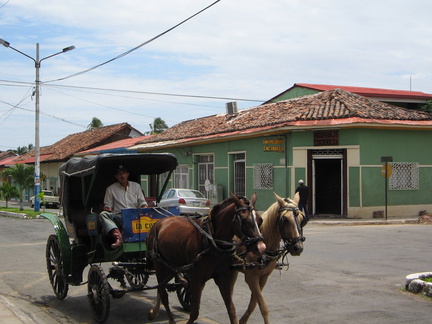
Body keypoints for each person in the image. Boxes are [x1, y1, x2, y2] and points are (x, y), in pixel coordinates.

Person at [99, 165, 148, 249]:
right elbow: (108, 205)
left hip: (135, 217)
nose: (122, 176)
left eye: (124, 173)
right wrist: (107, 208)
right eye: (119, 174)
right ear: (116, 176)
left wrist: (144, 207)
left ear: (127, 174)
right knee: (103, 214)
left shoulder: (136, 186)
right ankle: (118, 237)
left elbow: (142, 202)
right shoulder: (111, 189)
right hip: (120, 217)